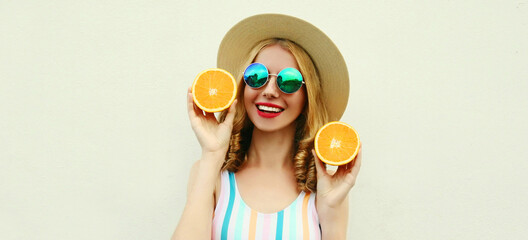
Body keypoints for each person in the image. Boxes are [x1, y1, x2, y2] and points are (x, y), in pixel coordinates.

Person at [172, 13, 362, 240]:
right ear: (243, 85)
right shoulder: (211, 173)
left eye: (288, 80)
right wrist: (212, 154)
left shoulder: (324, 187)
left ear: (307, 96)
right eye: (257, 75)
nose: (270, 90)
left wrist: (331, 212)